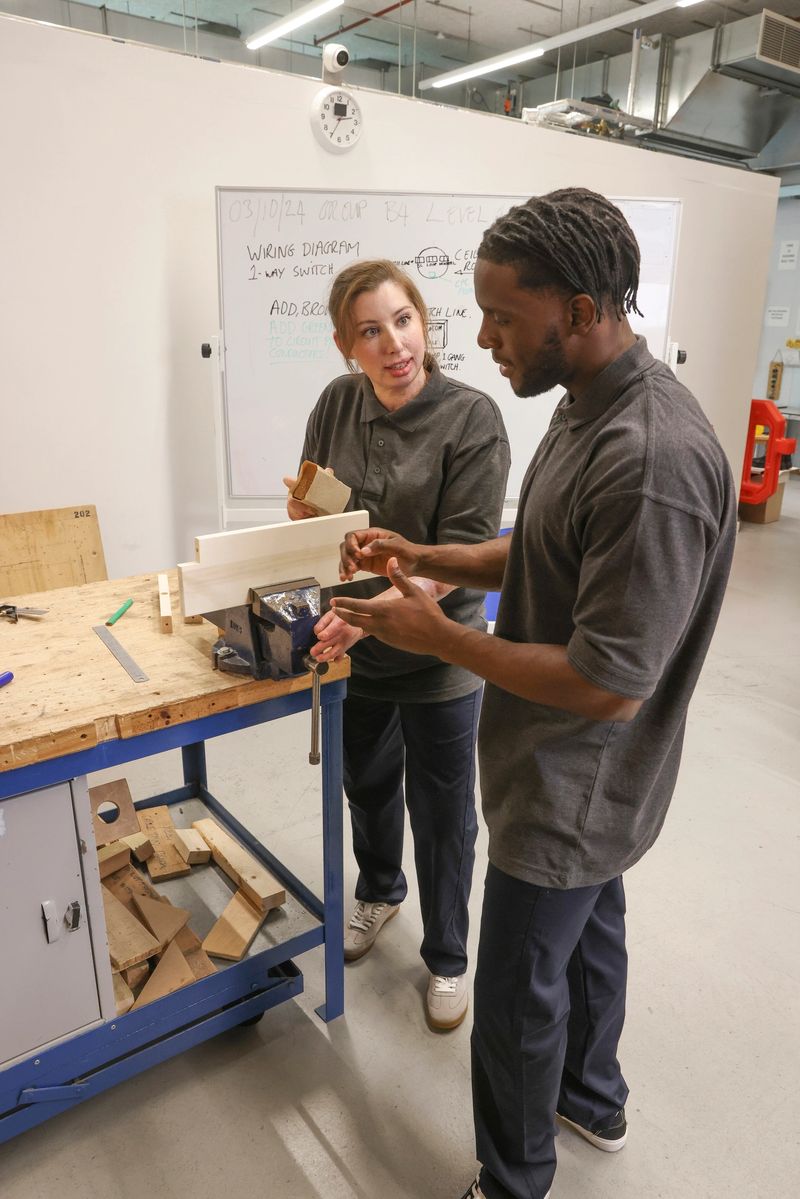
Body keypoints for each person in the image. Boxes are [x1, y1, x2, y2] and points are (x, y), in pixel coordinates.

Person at [328, 190, 737, 1198]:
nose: (479, 336)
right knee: (589, 933)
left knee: (514, 994)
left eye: (501, 315)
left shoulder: (649, 457)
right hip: (576, 781)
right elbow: (543, 547)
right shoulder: (587, 401)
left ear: (581, 309)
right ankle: (590, 1098)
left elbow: (603, 682)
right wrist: (430, 555)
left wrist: (438, 635)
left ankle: (510, 1181)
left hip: (574, 779)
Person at [283, 259, 510, 1031]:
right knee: (369, 786)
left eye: (403, 320)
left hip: (443, 653)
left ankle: (448, 955)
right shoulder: (336, 403)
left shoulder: (471, 418)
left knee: (444, 815)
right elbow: (329, 513)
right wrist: (305, 512)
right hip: (355, 644)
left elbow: (463, 553)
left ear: (424, 321)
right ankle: (379, 891)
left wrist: (374, 610)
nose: (393, 344)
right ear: (348, 345)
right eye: (371, 331)